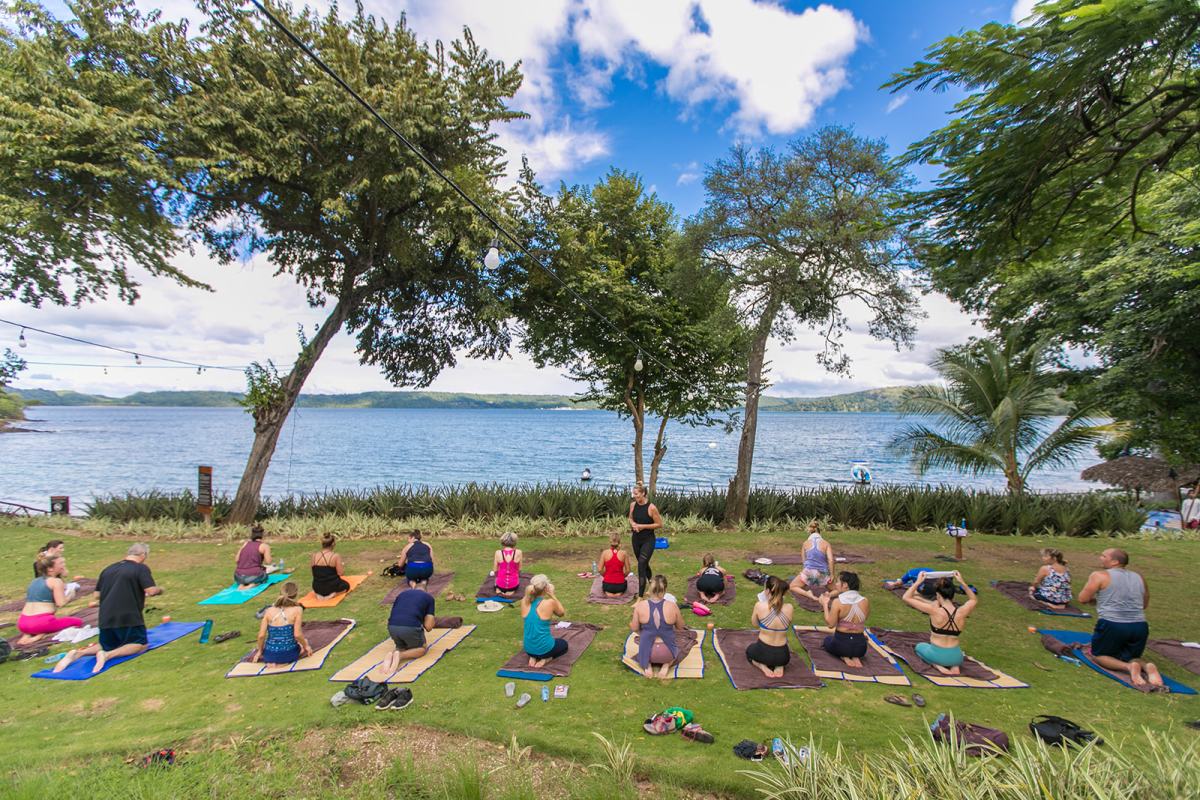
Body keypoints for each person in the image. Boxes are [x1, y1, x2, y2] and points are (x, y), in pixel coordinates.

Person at [54, 543, 162, 675]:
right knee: (140, 645)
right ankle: (107, 655)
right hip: (128, 615)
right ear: (143, 555)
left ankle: (78, 653)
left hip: (105, 616)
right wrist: (160, 590)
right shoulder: (140, 568)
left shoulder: (108, 569)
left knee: (108, 643)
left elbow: (97, 595)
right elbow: (150, 591)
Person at [1078, 548, 1164, 690]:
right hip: (1139, 625)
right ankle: (1147, 667)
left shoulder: (1099, 575)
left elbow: (1082, 599)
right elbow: (1144, 604)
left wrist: (1097, 600)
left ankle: (1128, 667)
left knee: (1099, 655)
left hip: (1113, 624)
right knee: (1130, 655)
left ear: (1114, 561)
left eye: (1103, 556)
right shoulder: (1139, 577)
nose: (1100, 558)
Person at [902, 571, 977, 676]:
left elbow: (906, 597)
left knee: (919, 647)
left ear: (937, 595)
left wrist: (918, 582)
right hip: (957, 657)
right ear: (952, 595)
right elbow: (973, 599)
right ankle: (954, 667)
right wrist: (962, 583)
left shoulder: (934, 610)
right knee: (951, 655)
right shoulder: (962, 612)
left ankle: (937, 665)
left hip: (937, 655)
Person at [16, 555, 84, 646]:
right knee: (77, 621)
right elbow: (61, 603)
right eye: (61, 563)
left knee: (35, 626)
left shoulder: (34, 581)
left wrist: (63, 574)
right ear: (50, 569)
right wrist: (71, 595)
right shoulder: (56, 582)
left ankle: (28, 634)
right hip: (41, 622)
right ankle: (39, 635)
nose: (63, 565)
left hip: (23, 622)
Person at [630, 575, 685, 679]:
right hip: (667, 652)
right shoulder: (673, 606)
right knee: (676, 650)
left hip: (648, 652)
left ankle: (647, 666)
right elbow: (681, 627)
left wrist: (644, 633)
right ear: (665, 589)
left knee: (644, 645)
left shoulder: (640, 606)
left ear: (649, 589)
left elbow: (634, 628)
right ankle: (666, 665)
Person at [381, 583, 436, 675]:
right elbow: (428, 627)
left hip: (392, 626)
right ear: (426, 591)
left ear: (413, 588)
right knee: (421, 649)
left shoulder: (401, 595)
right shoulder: (428, 598)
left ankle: (394, 653)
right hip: (410, 627)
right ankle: (401, 655)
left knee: (401, 646)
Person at [252, 582, 311, 665]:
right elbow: (297, 635)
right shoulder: (298, 610)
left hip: (269, 655)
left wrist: (260, 651)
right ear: (296, 594)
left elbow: (261, 636)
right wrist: (306, 646)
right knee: (304, 642)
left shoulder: (269, 611)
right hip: (289, 654)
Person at [819, 572, 870, 668]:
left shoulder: (838, 602)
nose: (836, 584)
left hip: (841, 645)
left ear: (845, 585)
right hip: (861, 647)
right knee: (851, 645)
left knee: (827, 640)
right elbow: (864, 618)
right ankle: (854, 656)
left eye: (838, 582)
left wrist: (825, 604)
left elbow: (830, 624)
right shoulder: (865, 601)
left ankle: (844, 656)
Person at [747, 576, 794, 678]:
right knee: (778, 657)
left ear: (767, 591)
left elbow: (755, 624)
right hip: (783, 656)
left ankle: (761, 665)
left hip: (762, 652)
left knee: (750, 650)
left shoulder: (760, 605)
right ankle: (779, 666)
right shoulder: (790, 608)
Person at [521, 574, 567, 668]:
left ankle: (533, 657)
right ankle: (546, 658)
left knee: (541, 643)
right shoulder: (549, 602)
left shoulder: (524, 601)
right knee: (563, 644)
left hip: (528, 649)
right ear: (546, 588)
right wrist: (553, 596)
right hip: (546, 649)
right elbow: (562, 613)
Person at [628, 484, 663, 597]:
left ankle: (640, 597)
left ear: (643, 493)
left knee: (641, 565)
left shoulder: (651, 507)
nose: (634, 496)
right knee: (643, 564)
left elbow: (659, 524)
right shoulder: (633, 505)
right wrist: (632, 523)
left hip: (648, 540)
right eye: (634, 494)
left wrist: (642, 526)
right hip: (636, 539)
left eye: (637, 494)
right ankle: (651, 582)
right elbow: (630, 518)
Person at [788, 522, 834, 597]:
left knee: (792, 586)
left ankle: (807, 594)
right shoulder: (826, 543)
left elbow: (804, 561)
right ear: (819, 531)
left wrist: (804, 576)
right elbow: (831, 560)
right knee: (838, 589)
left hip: (809, 573)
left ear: (810, 532)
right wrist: (832, 575)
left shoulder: (805, 543)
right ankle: (828, 595)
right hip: (823, 574)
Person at [310, 534, 350, 599]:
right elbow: (341, 573)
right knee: (346, 586)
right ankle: (332, 595)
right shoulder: (335, 556)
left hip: (317, 587)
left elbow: (313, 573)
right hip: (332, 586)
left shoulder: (314, 556)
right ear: (333, 544)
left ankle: (319, 595)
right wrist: (341, 565)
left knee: (323, 585)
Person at [493, 532, 523, 597]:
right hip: (513, 585)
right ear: (514, 541)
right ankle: (510, 592)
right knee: (516, 581)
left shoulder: (498, 553)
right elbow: (520, 569)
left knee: (496, 581)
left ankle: (499, 590)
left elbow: (495, 570)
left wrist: (497, 578)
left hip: (500, 585)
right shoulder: (519, 552)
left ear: (503, 541)